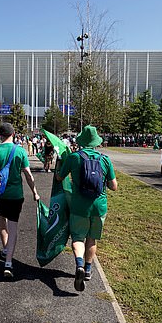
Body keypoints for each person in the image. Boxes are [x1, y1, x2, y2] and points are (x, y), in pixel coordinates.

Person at [56, 125, 118, 292]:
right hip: (99, 206)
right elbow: (114, 186)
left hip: (79, 206)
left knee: (77, 237)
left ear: (81, 141)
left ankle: (79, 265)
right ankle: (89, 270)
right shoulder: (105, 159)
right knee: (92, 238)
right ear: (96, 142)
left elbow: (59, 177)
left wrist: (61, 161)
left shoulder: (74, 157)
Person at [0, 123, 40, 278]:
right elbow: (28, 176)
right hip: (16, 195)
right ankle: (9, 262)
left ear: (0, 134)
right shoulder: (20, 151)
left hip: (0, 194)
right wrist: (35, 192)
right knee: (13, 227)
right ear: (14, 133)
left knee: (1, 221)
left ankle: (5, 249)